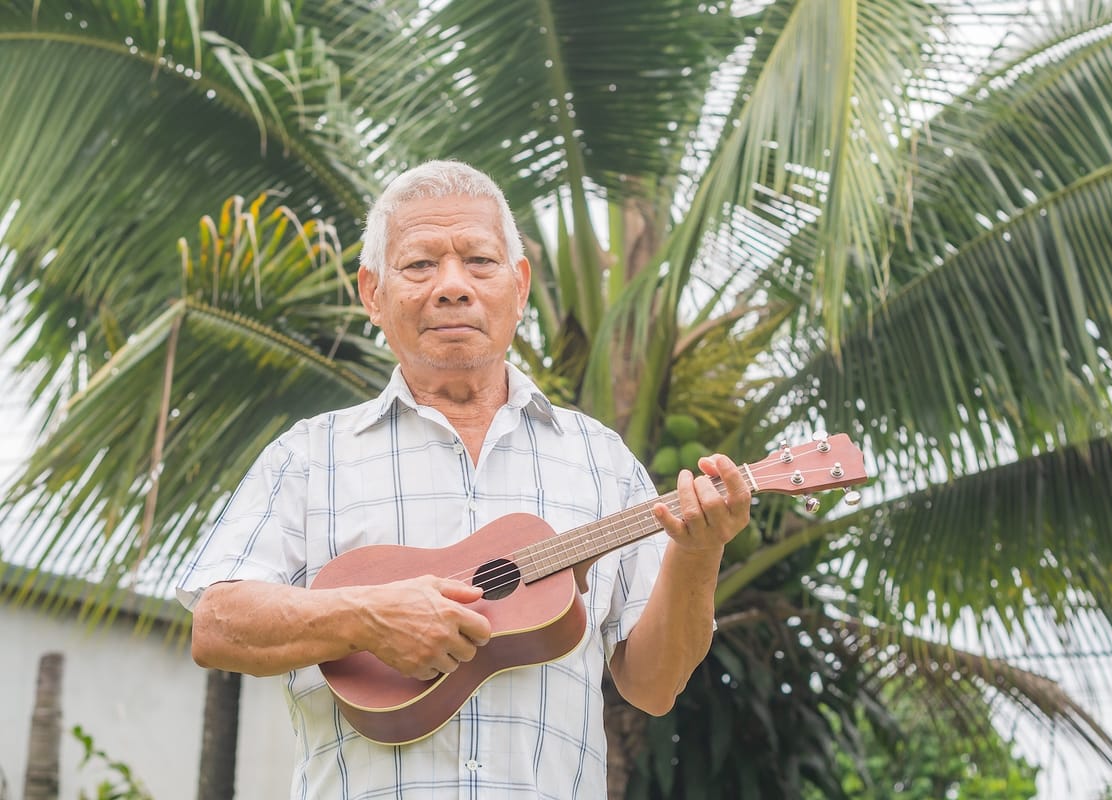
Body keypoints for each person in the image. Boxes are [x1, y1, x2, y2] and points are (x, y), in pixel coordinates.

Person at [177, 160, 751, 799]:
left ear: (519, 283)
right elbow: (217, 624)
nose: (453, 286)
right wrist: (366, 617)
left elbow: (654, 683)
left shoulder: (602, 460)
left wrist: (699, 553)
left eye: (479, 261)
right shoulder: (309, 456)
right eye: (421, 265)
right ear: (372, 292)